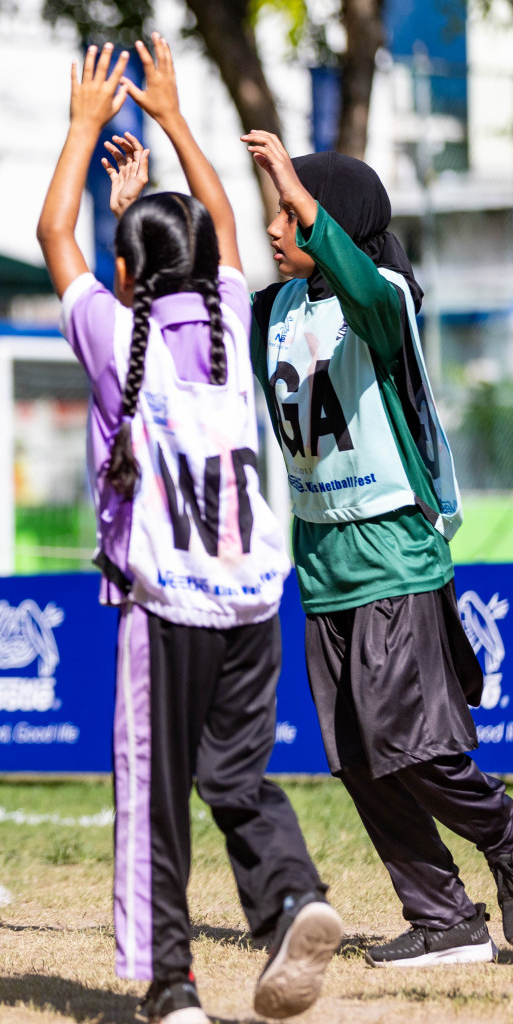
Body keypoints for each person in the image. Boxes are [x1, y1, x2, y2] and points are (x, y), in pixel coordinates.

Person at [36, 37, 342, 1023]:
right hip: (255, 599)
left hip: (164, 609)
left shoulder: (114, 335)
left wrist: (86, 129)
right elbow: (207, 237)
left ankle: (173, 982)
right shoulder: (226, 320)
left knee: (157, 798)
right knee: (234, 774)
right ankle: (293, 895)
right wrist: (169, 122)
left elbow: (53, 238)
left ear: (128, 276)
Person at [244, 128, 513, 967]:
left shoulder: (384, 296)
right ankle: (443, 918)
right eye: (272, 212)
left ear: (334, 218)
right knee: (360, 758)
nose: (274, 228)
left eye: (288, 213)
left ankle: (505, 836)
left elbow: (360, 286)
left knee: (417, 745)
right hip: (322, 562)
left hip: (393, 554)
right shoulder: (271, 311)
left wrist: (300, 188)